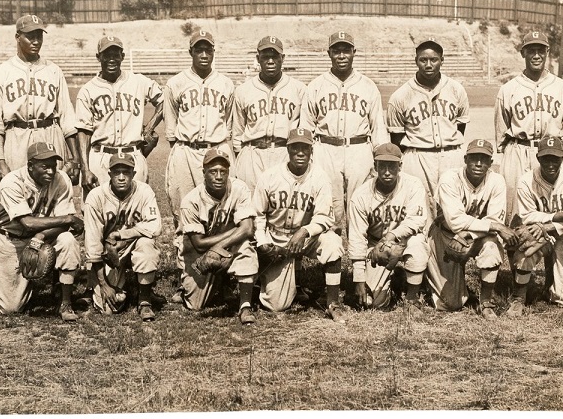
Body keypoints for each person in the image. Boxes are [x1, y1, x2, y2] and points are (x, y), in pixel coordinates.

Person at [252, 128, 346, 323]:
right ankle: (274, 280)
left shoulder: (320, 177)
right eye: (295, 148)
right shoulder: (270, 176)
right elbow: (258, 215)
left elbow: (325, 217)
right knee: (276, 306)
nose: (300, 152)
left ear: (312, 150)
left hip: (306, 237)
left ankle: (332, 303)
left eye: (305, 148)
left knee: (333, 242)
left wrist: (305, 231)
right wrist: (262, 243)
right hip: (276, 237)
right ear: (287, 149)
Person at [300, 31, 389, 230]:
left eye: (346, 51)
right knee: (329, 206)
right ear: (329, 53)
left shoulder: (368, 86)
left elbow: (378, 127)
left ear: (354, 52)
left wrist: (379, 158)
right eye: (336, 51)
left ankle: (360, 256)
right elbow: (306, 126)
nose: (341, 56)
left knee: (361, 203)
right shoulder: (316, 86)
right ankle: (332, 255)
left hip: (359, 149)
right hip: (326, 148)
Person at [0, 142, 84, 321]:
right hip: (10, 240)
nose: (51, 171)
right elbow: (28, 223)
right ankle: (8, 284)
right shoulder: (12, 181)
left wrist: (40, 236)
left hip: (44, 236)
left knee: (68, 240)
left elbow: (63, 225)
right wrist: (69, 219)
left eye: (53, 166)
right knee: (10, 308)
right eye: (44, 166)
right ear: (30, 166)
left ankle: (65, 301)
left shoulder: (61, 179)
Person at [425, 139, 518, 318]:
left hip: (476, 237)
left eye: (484, 159)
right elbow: (455, 221)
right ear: (465, 159)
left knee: (491, 246)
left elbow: (494, 218)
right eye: (474, 158)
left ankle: (485, 301)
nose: (478, 163)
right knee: (451, 304)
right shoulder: (450, 178)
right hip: (446, 236)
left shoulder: (497, 180)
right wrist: (495, 226)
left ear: (491, 163)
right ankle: (431, 279)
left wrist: (468, 234)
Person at [0, 14, 81, 184]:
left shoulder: (53, 70)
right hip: (16, 138)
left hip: (50, 134)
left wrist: (75, 157)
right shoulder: (1, 72)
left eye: (39, 36)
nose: (36, 41)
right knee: (16, 193)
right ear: (17, 37)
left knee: (53, 197)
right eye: (30, 36)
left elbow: (67, 117)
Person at [504, 136, 563, 316]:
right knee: (525, 239)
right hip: (537, 231)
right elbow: (527, 216)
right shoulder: (527, 180)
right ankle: (519, 296)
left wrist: (549, 226)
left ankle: (552, 283)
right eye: (546, 158)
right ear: (538, 158)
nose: (551, 163)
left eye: (555, 158)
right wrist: (561, 215)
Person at [494, 30, 563, 224]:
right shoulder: (509, 88)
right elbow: (501, 131)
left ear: (547, 53)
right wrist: (508, 154)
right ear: (523, 53)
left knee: (553, 204)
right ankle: (512, 252)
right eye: (531, 51)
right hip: (518, 150)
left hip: (550, 152)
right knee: (513, 208)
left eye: (540, 50)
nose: (536, 55)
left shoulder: (561, 87)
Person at [164, 30, 235, 228]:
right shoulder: (175, 83)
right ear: (191, 52)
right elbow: (171, 127)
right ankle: (184, 252)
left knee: (219, 208)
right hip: (186, 150)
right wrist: (183, 147)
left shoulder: (226, 84)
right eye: (199, 50)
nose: (204, 55)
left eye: (208, 50)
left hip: (216, 149)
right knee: (183, 206)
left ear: (213, 52)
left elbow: (228, 124)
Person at [178, 147, 257, 324]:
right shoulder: (191, 201)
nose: (219, 176)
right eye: (213, 171)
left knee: (246, 247)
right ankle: (217, 284)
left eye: (223, 171)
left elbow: (248, 230)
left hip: (231, 246)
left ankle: (245, 306)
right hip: (199, 253)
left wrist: (223, 245)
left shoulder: (239, 188)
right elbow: (198, 243)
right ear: (204, 172)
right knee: (195, 305)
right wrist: (235, 230)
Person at [76, 35, 163, 191]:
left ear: (122, 56)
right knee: (97, 211)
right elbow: (83, 131)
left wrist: (150, 126)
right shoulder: (88, 90)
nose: (111, 59)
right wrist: (85, 168)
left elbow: (165, 100)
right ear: (98, 57)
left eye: (116, 55)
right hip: (101, 158)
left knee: (136, 210)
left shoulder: (138, 81)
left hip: (133, 156)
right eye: (106, 55)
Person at [348, 143, 430, 309]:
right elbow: (357, 237)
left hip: (404, 241)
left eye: (392, 166)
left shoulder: (413, 185)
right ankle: (397, 278)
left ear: (400, 166)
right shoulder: (361, 195)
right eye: (382, 165)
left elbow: (417, 220)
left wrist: (391, 237)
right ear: (374, 166)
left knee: (418, 244)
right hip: (376, 245)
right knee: (375, 304)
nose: (387, 171)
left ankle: (412, 297)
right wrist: (358, 278)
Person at [386, 37, 470, 200]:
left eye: (434, 60)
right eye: (423, 60)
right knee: (419, 207)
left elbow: (460, 126)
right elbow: (396, 138)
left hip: (451, 155)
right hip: (418, 157)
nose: (429, 65)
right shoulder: (401, 95)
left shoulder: (456, 89)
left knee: (452, 207)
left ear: (442, 60)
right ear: (416, 61)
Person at [83, 152, 163, 321]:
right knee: (109, 309)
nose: (121, 177)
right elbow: (93, 245)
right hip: (107, 255)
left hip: (132, 245)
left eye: (126, 172)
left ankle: (145, 300)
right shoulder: (96, 197)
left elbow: (155, 227)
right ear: (109, 174)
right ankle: (123, 284)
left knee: (147, 244)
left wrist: (121, 235)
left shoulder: (144, 190)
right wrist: (104, 285)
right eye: (117, 172)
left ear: (133, 174)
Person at [232, 35, 305, 191]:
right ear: (258, 58)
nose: (270, 61)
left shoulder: (298, 89)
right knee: (251, 207)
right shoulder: (243, 90)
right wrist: (242, 160)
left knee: (282, 208)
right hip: (252, 154)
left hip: (284, 153)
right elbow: (237, 133)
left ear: (282, 58)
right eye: (265, 56)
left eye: (275, 56)